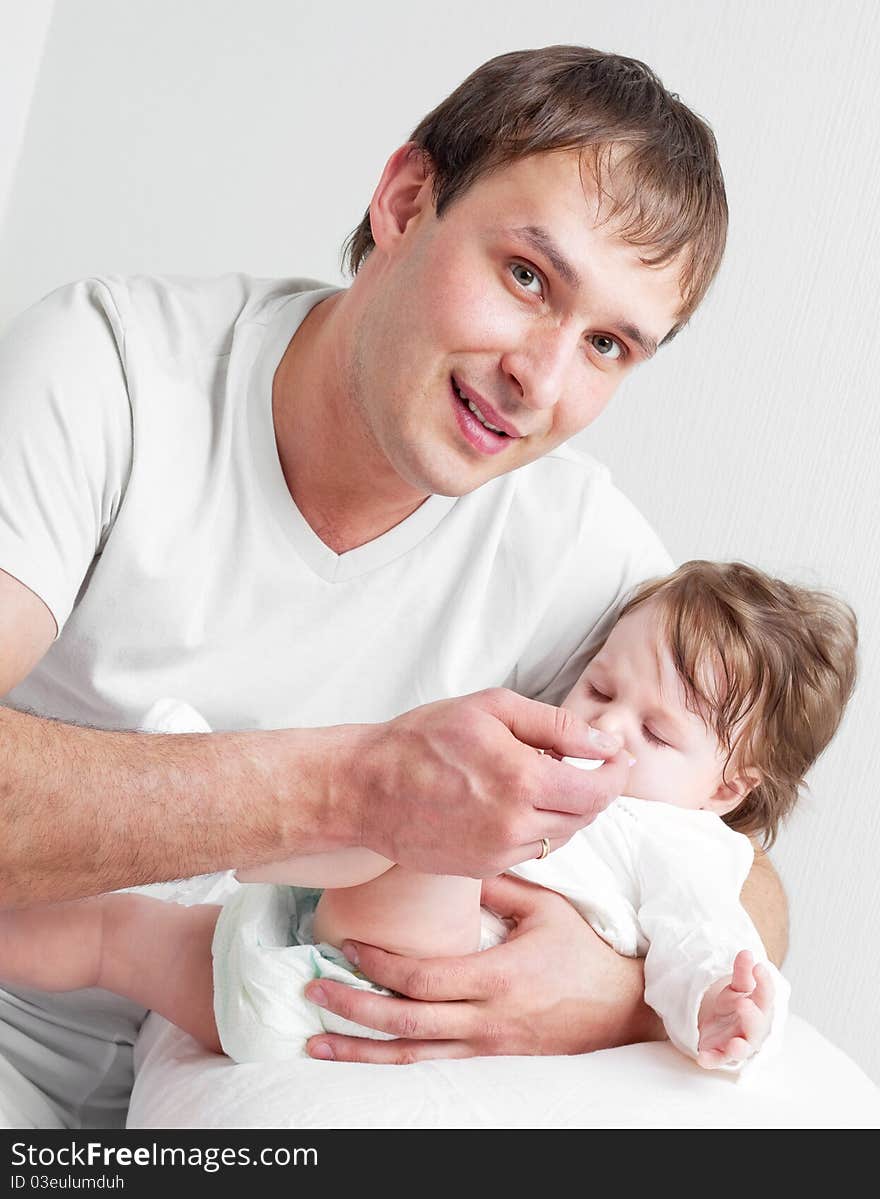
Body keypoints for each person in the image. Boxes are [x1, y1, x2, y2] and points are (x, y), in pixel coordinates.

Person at [0, 45, 787, 1127]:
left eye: (606, 343)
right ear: (405, 201)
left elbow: (730, 869)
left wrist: (611, 992)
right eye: (525, 276)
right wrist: (349, 788)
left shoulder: (581, 551)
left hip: (224, 1089)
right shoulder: (109, 373)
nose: (540, 379)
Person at [0, 561, 856, 1074]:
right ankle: (228, 824)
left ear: (725, 790)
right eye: (598, 686)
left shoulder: (678, 839)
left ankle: (241, 818)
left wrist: (718, 1002)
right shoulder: (557, 752)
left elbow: (705, 931)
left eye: (656, 732)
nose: (603, 727)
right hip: (282, 958)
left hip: (391, 986)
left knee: (432, 819)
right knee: (108, 936)